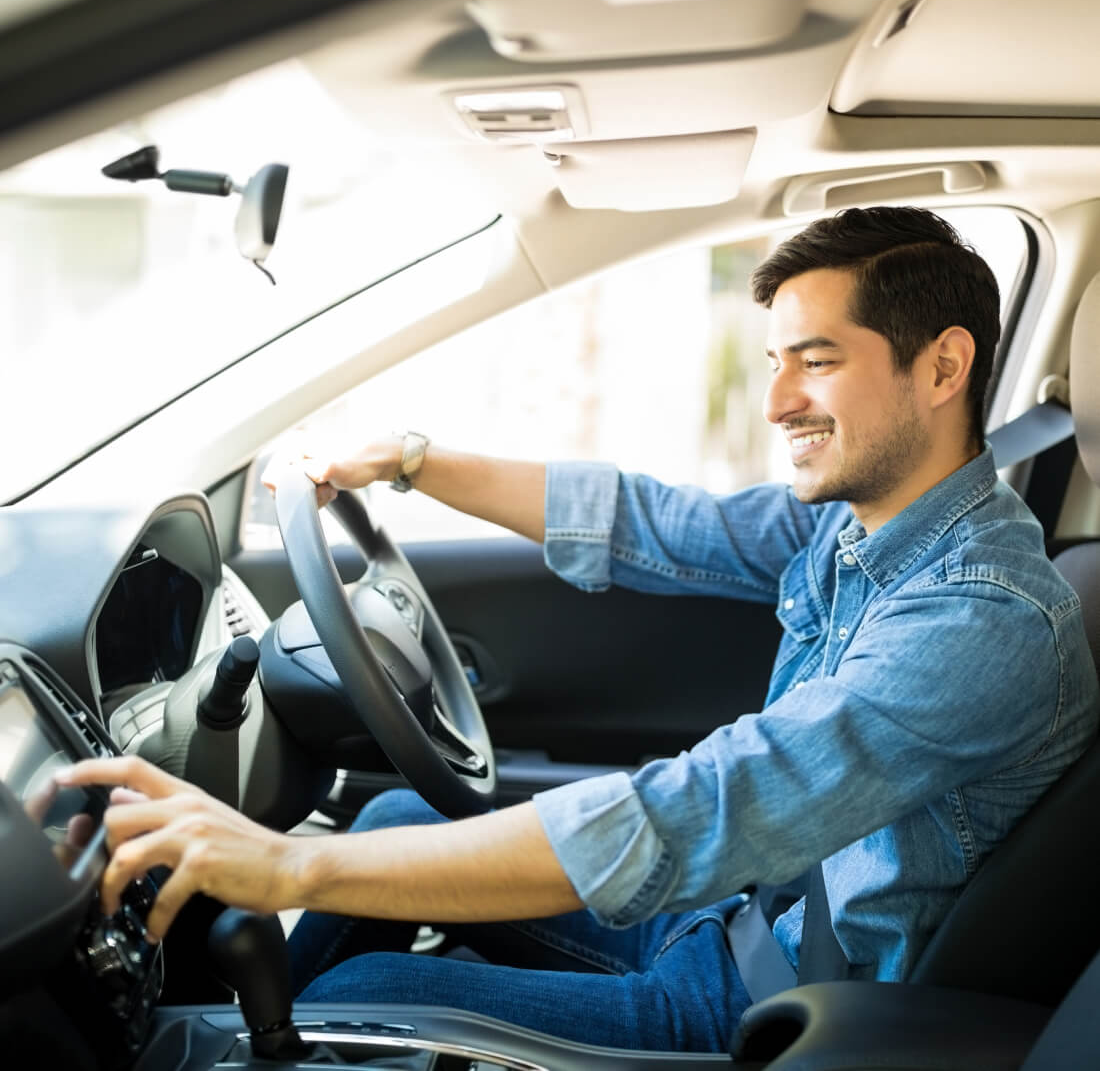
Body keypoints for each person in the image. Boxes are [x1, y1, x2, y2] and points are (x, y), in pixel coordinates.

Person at [60, 206, 1099, 1053]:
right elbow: (648, 523)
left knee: (366, 982)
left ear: (942, 365)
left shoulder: (980, 619)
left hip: (787, 1000)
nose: (777, 399)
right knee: (384, 831)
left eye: (815, 361)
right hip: (737, 919)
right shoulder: (856, 524)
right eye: (775, 360)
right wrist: (412, 460)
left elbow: (701, 808)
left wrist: (289, 867)